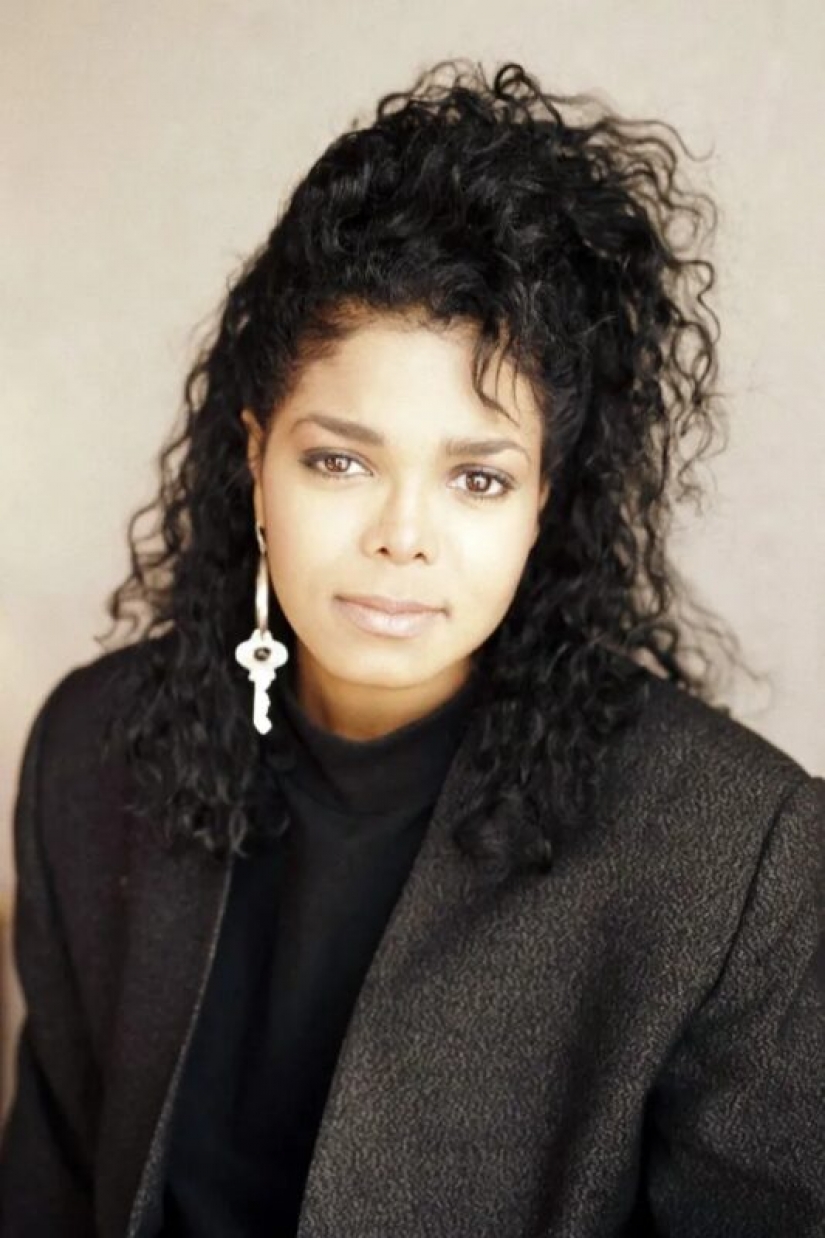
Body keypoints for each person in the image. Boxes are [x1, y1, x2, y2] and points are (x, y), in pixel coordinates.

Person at [0, 57, 822, 1238]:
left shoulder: (733, 851)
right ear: (256, 458)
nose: (401, 536)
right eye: (340, 460)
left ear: (545, 503)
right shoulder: (92, 752)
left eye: (477, 478)